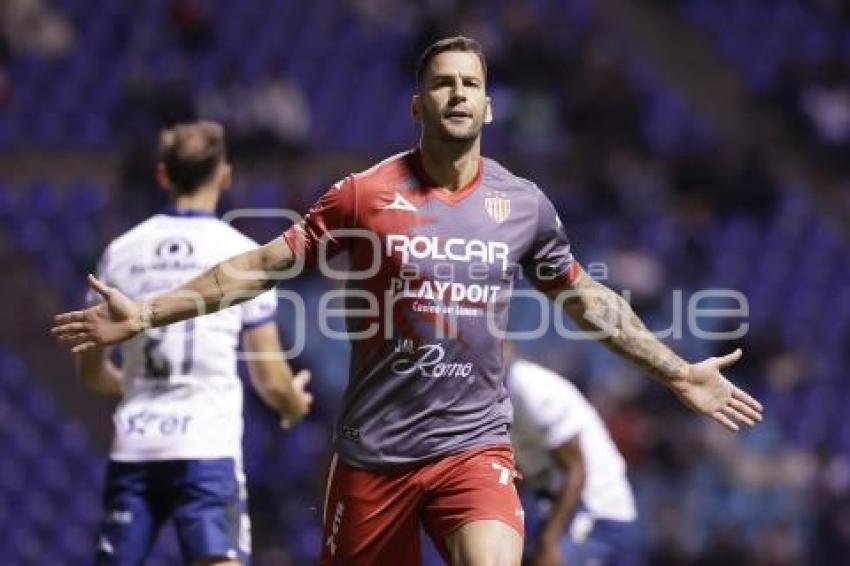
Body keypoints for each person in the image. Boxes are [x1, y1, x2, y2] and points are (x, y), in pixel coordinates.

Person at [52, 37, 763, 565]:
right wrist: (145, 313)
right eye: (443, 83)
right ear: (417, 103)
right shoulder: (364, 193)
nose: (458, 94)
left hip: (474, 448)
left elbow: (588, 301)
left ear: (488, 105)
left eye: (471, 84)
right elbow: (261, 266)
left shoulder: (523, 205)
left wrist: (677, 371)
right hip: (373, 458)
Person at [74, 121, 313, 565]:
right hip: (208, 445)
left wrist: (134, 387)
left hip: (137, 443)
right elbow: (270, 377)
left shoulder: (119, 252)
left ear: (163, 175)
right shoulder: (241, 253)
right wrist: (292, 404)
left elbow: (90, 369)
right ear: (224, 175)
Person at [505, 349, 639, 566]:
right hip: (559, 511)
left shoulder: (529, 386)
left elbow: (576, 470)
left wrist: (549, 541)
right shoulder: (499, 393)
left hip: (595, 512)